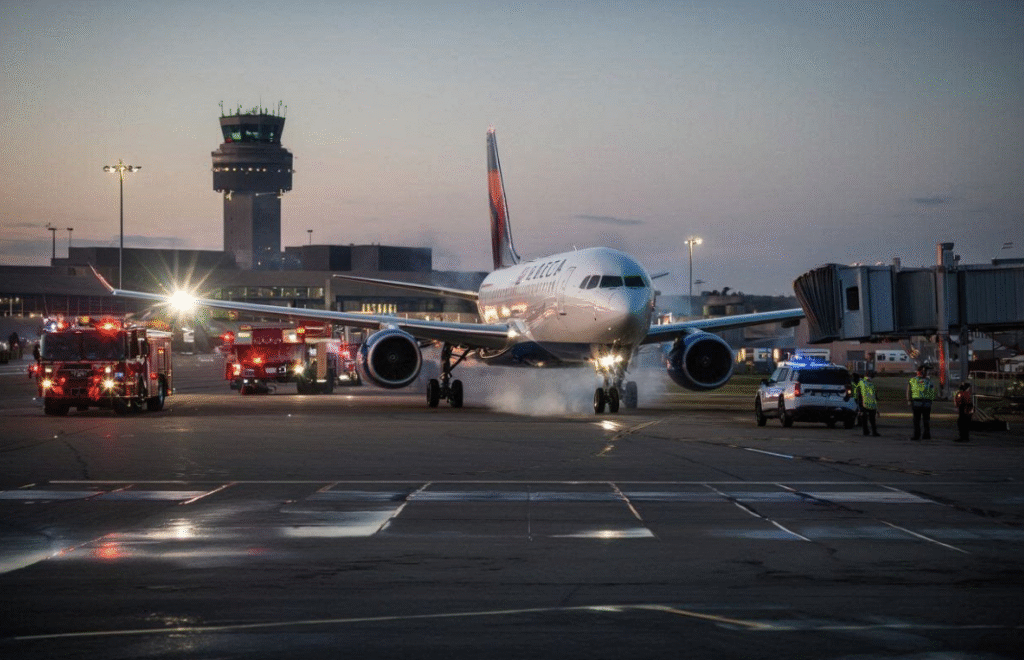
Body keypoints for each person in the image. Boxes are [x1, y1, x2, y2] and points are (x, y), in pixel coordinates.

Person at [906, 366, 936, 440]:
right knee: (925, 420)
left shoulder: (913, 380)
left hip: (919, 402)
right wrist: (931, 400)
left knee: (917, 420)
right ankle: (926, 435)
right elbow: (933, 391)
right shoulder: (928, 381)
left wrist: (909, 400)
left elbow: (908, 391)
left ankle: (918, 435)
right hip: (925, 402)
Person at [855, 370, 880, 436]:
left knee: (865, 419)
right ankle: (872, 432)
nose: (873, 376)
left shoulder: (864, 382)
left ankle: (867, 431)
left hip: (866, 403)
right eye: (873, 375)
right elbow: (874, 395)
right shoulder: (869, 383)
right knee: (871, 419)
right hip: (868, 403)